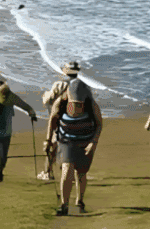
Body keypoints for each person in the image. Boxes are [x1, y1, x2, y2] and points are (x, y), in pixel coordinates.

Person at [46, 78, 102, 216]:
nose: (76, 108)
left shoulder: (91, 105)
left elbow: (99, 124)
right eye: (74, 104)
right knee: (67, 168)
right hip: (66, 140)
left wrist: (93, 142)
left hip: (85, 141)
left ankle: (79, 201)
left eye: (79, 104)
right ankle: (64, 205)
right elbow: (52, 120)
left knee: (81, 172)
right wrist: (48, 140)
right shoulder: (61, 102)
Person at [0, 83, 37, 184]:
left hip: (6, 132)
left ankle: (0, 171)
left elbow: (25, 106)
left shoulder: (12, 98)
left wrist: (32, 113)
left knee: (3, 158)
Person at [38, 61, 82, 180]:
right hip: (76, 120)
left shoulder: (60, 84)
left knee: (52, 146)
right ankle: (73, 172)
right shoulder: (81, 86)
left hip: (61, 119)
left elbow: (48, 100)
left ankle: (47, 172)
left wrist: (45, 95)